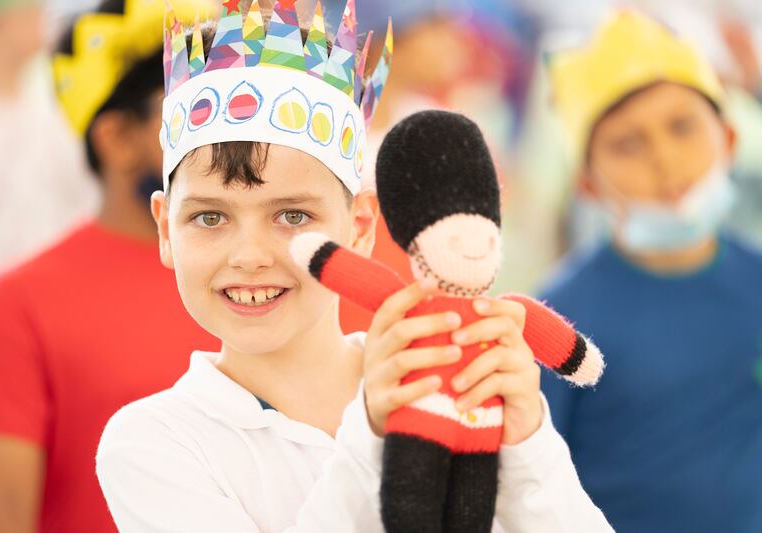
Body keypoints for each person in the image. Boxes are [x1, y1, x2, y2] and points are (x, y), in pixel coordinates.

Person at [95, 2, 612, 531]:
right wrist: (371, 433)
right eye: (209, 217)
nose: (249, 255)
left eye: (292, 215)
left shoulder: (460, 384)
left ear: (361, 226)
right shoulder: (154, 441)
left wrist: (527, 447)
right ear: (165, 229)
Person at [0, 1, 217, 532]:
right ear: (117, 139)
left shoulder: (273, 275)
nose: (226, 125)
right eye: (195, 105)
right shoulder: (22, 300)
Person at [541, 11, 762, 533]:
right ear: (589, 184)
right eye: (628, 144)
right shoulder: (557, 324)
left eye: (682, 126)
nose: (665, 159)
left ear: (729, 139)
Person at [0, 0, 98, 322]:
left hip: (45, 300)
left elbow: (83, 202)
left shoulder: (52, 112)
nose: (41, 18)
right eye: (27, 10)